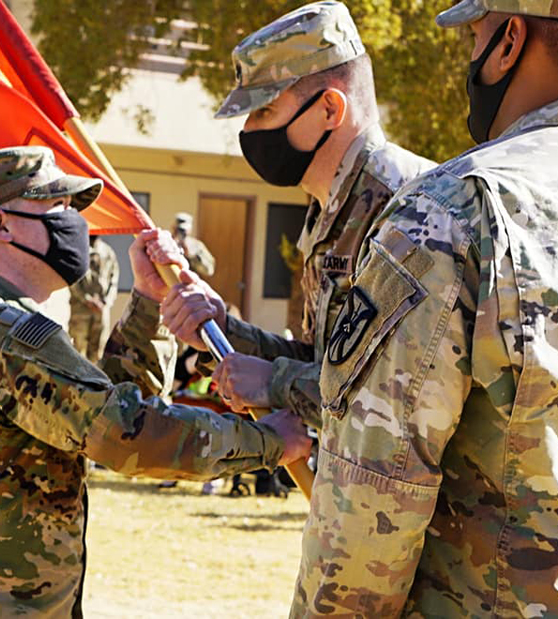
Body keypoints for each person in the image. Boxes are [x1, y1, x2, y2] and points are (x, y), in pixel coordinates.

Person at [285, 0, 558, 615]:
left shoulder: (456, 208)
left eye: (475, 34)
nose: (470, 55)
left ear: (508, 43)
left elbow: (369, 516)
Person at [0, 146, 311, 617]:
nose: (73, 224)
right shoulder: (3, 332)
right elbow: (125, 434)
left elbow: (107, 407)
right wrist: (268, 442)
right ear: (0, 225)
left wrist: (150, 300)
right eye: (55, 208)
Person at [161, 1, 435, 429]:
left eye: (265, 110)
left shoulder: (410, 208)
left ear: (330, 109)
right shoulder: (330, 209)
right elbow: (328, 360)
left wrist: (274, 382)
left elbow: (409, 392)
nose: (249, 132)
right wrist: (225, 331)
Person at [68, 235, 119, 363]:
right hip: (81, 309)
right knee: (77, 350)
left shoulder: (108, 251)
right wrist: (86, 299)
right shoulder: (79, 249)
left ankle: (95, 381)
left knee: (98, 352)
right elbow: (72, 278)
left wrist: (106, 301)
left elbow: (114, 279)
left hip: (101, 310)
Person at [173, 212, 215, 278]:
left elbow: (208, 271)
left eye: (183, 230)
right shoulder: (168, 242)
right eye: (179, 229)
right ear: (173, 228)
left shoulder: (197, 246)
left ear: (190, 229)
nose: (181, 233)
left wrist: (192, 256)